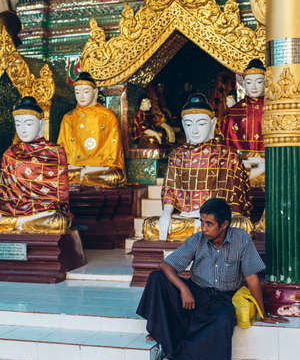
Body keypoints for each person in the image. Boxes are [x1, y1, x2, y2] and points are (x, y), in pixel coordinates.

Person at [137, 198, 287, 360]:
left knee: (223, 321)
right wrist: (184, 290)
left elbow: (252, 278)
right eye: (202, 222)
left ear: (224, 225)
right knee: (157, 278)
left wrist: (262, 313)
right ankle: (158, 329)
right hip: (194, 293)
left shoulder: (242, 240)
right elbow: (166, 265)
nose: (204, 228)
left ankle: (175, 357)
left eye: (209, 223)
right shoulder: (197, 240)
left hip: (221, 299)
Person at [143, 93, 252, 241]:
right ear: (183, 125)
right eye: (188, 124)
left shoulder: (228, 155)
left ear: (213, 124)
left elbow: (238, 202)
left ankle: (206, 231)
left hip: (219, 219)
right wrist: (166, 215)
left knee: (242, 225)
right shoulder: (177, 155)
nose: (194, 130)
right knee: (151, 225)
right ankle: (205, 231)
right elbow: (169, 192)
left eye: (201, 124)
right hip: (187, 218)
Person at [0, 96, 71, 233]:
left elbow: (59, 199)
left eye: (28, 123)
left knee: (58, 221)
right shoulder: (10, 153)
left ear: (42, 124)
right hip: (13, 209)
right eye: (18, 124)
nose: (23, 129)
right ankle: (22, 222)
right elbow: (4, 194)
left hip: (44, 211)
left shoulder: (55, 152)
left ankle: (16, 223)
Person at [57, 71, 126, 187]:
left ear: (95, 92)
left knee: (115, 177)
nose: (81, 96)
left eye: (86, 91)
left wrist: (90, 169)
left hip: (100, 170)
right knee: (59, 174)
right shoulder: (68, 118)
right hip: (76, 169)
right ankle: (84, 174)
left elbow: (114, 157)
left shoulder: (108, 117)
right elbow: (62, 155)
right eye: (77, 92)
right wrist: (76, 167)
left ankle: (85, 174)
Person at [221, 59, 265, 186]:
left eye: (259, 82)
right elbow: (229, 147)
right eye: (249, 82)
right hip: (242, 168)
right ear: (243, 84)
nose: (254, 86)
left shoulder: (273, 108)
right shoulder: (234, 113)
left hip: (270, 165)